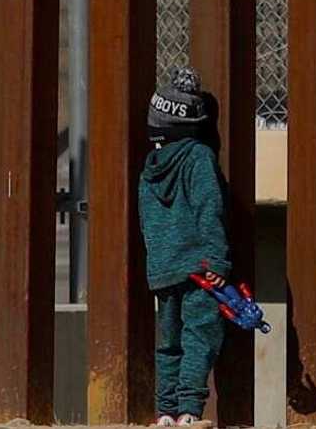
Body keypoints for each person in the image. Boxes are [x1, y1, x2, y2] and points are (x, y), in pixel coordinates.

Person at [139, 66, 230, 427]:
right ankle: (190, 412)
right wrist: (217, 263)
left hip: (163, 270)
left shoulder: (149, 168)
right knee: (200, 336)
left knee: (169, 342)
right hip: (199, 268)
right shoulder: (199, 158)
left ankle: (165, 413)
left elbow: (148, 222)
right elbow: (211, 210)